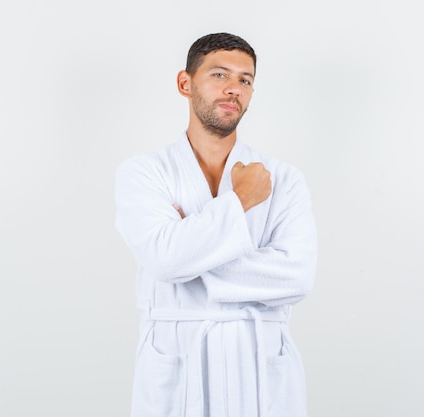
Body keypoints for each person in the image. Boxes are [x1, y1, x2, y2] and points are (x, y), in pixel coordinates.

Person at [115, 32, 317, 417]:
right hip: (178, 359)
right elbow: (162, 260)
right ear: (185, 83)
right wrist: (239, 202)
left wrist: (188, 251)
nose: (234, 89)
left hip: (257, 361)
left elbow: (297, 277)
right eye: (220, 75)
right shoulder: (144, 173)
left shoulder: (284, 179)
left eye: (245, 79)